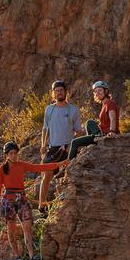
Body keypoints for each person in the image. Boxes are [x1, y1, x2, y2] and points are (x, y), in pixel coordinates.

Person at [0, 141, 68, 260]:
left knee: (27, 226)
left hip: (21, 198)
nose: (13, 156)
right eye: (11, 153)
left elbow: (38, 168)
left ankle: (32, 255)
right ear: (6, 155)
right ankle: (17, 256)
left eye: (15, 153)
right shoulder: (2, 169)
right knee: (11, 229)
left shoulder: (21, 165)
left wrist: (59, 164)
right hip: (8, 200)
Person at [38, 79, 82, 210]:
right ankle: (42, 206)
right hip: (53, 148)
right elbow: (45, 129)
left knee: (69, 176)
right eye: (56, 91)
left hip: (67, 148)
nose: (59, 93)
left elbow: (78, 131)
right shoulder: (49, 110)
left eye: (61, 90)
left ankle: (67, 207)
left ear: (66, 92)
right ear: (53, 94)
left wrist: (72, 146)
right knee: (46, 176)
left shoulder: (73, 110)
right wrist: (43, 145)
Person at [69, 80, 120, 159]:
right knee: (89, 123)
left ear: (106, 91)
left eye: (99, 90)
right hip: (101, 132)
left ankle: (68, 164)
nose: (97, 93)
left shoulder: (110, 103)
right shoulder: (104, 104)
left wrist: (112, 131)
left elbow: (113, 118)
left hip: (105, 135)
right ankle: (91, 145)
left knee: (74, 142)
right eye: (95, 91)